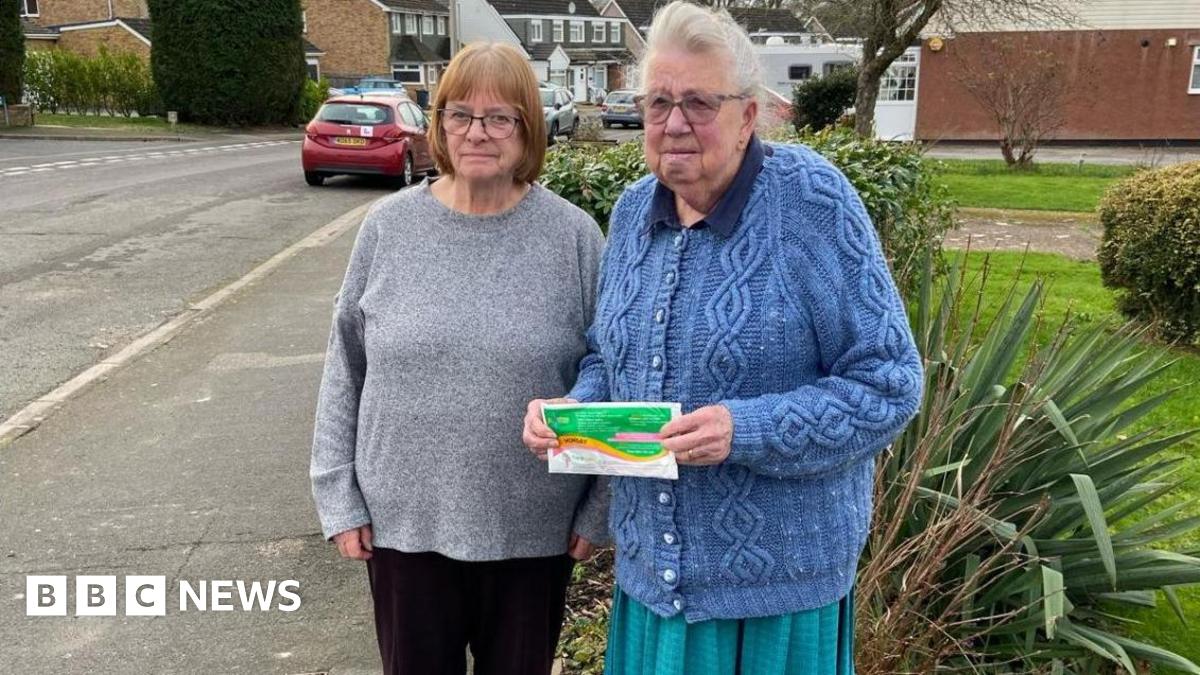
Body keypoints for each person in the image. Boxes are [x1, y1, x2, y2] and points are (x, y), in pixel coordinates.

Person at [522, 3, 924, 674]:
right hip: (653, 583)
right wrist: (569, 418)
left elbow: (889, 383)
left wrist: (746, 429)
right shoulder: (631, 215)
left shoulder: (810, 202)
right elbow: (607, 354)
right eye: (658, 103)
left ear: (747, 115)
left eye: (699, 103)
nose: (675, 123)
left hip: (776, 596)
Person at [311, 42, 609, 675]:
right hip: (404, 526)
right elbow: (346, 366)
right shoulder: (387, 229)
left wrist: (600, 502)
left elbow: (608, 370)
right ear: (438, 123)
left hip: (533, 530)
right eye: (460, 115)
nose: (478, 132)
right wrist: (337, 495)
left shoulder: (576, 237)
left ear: (529, 129)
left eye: (500, 117)